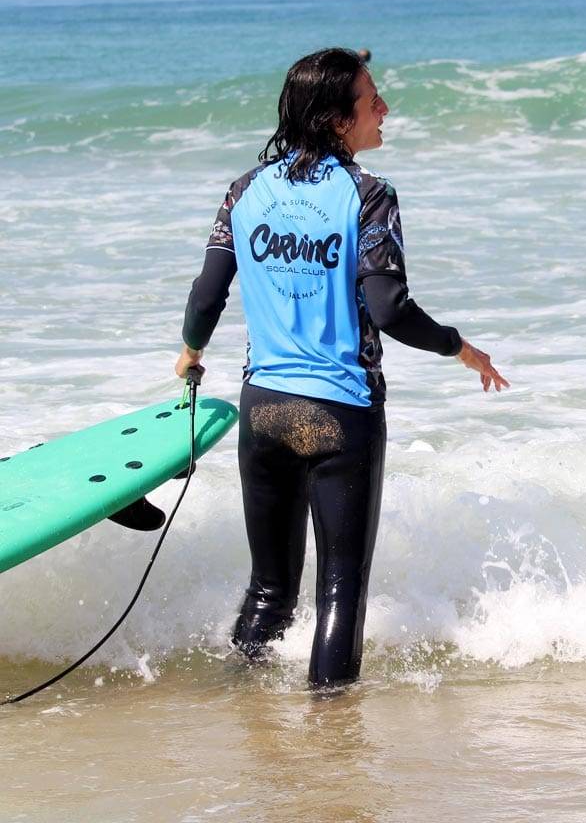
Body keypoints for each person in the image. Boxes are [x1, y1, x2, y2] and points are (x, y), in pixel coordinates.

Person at [175, 47, 509, 688]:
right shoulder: (369, 197)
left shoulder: (243, 191)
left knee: (269, 589)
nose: (384, 108)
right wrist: (459, 347)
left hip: (264, 409)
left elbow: (206, 296)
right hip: (340, 411)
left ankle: (238, 702)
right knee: (339, 597)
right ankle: (331, 746)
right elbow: (389, 309)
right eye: (372, 99)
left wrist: (192, 351)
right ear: (336, 120)